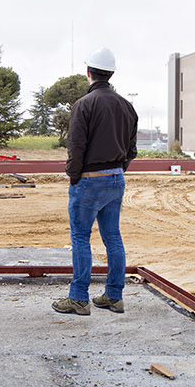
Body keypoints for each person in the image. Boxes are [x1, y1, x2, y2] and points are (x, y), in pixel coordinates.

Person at [51, 46, 138, 317]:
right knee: (113, 237)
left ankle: (79, 298)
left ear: (89, 73)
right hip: (116, 178)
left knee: (80, 237)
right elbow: (132, 149)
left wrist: (74, 177)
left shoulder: (84, 105)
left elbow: (75, 147)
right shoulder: (127, 106)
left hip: (89, 180)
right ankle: (114, 296)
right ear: (110, 74)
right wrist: (117, 168)